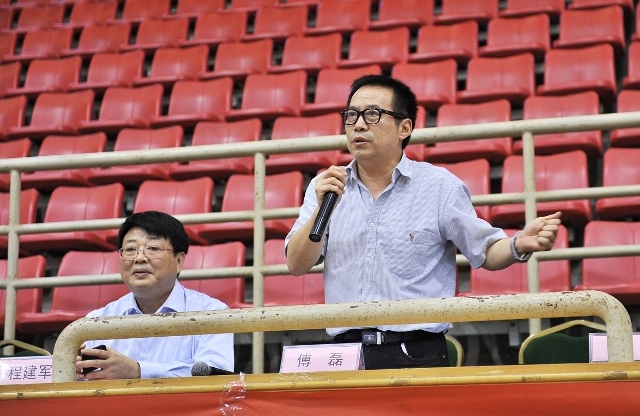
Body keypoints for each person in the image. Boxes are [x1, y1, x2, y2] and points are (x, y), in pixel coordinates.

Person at [285, 74, 562, 370]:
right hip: (344, 354)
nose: (359, 125)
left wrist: (519, 243)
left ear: (404, 127)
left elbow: (486, 250)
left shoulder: (439, 186)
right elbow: (296, 264)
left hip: (415, 351)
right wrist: (321, 210)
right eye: (351, 115)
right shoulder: (326, 187)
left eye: (373, 114)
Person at [76, 210, 234, 380]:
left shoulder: (212, 313)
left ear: (179, 261)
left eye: (153, 248)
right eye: (130, 249)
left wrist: (138, 371)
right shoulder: (95, 321)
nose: (139, 258)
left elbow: (216, 374)